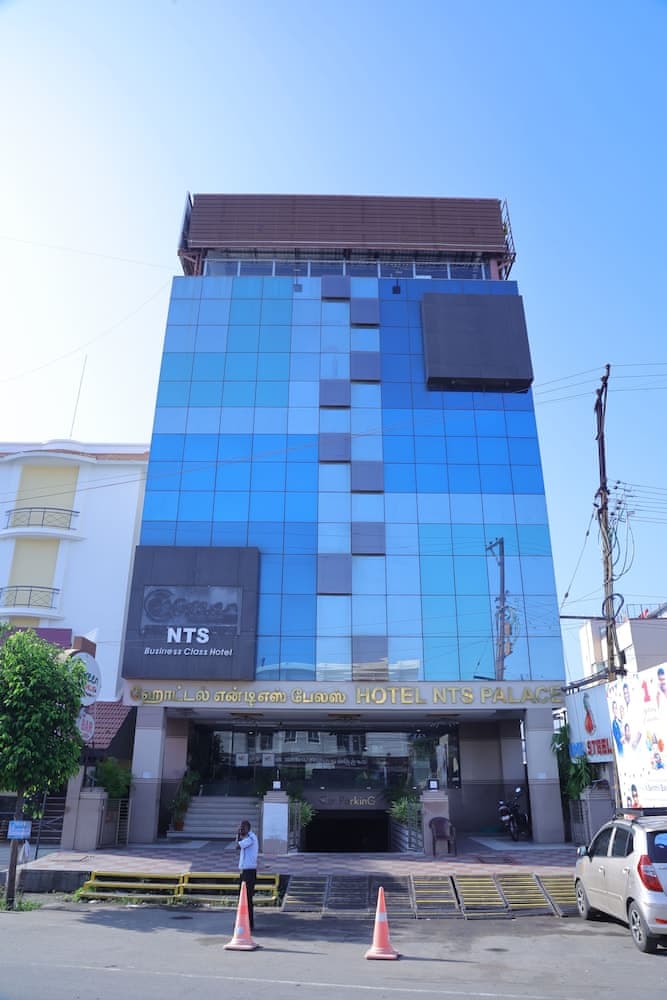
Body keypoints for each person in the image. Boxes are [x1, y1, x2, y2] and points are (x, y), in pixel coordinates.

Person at [236, 819, 259, 931]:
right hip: (245, 871)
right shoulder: (248, 837)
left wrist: (238, 835)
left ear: (247, 828)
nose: (241, 830)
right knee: (242, 898)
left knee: (247, 899)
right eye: (240, 828)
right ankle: (243, 921)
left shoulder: (250, 838)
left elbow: (238, 845)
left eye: (242, 828)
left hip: (249, 872)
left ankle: (249, 923)